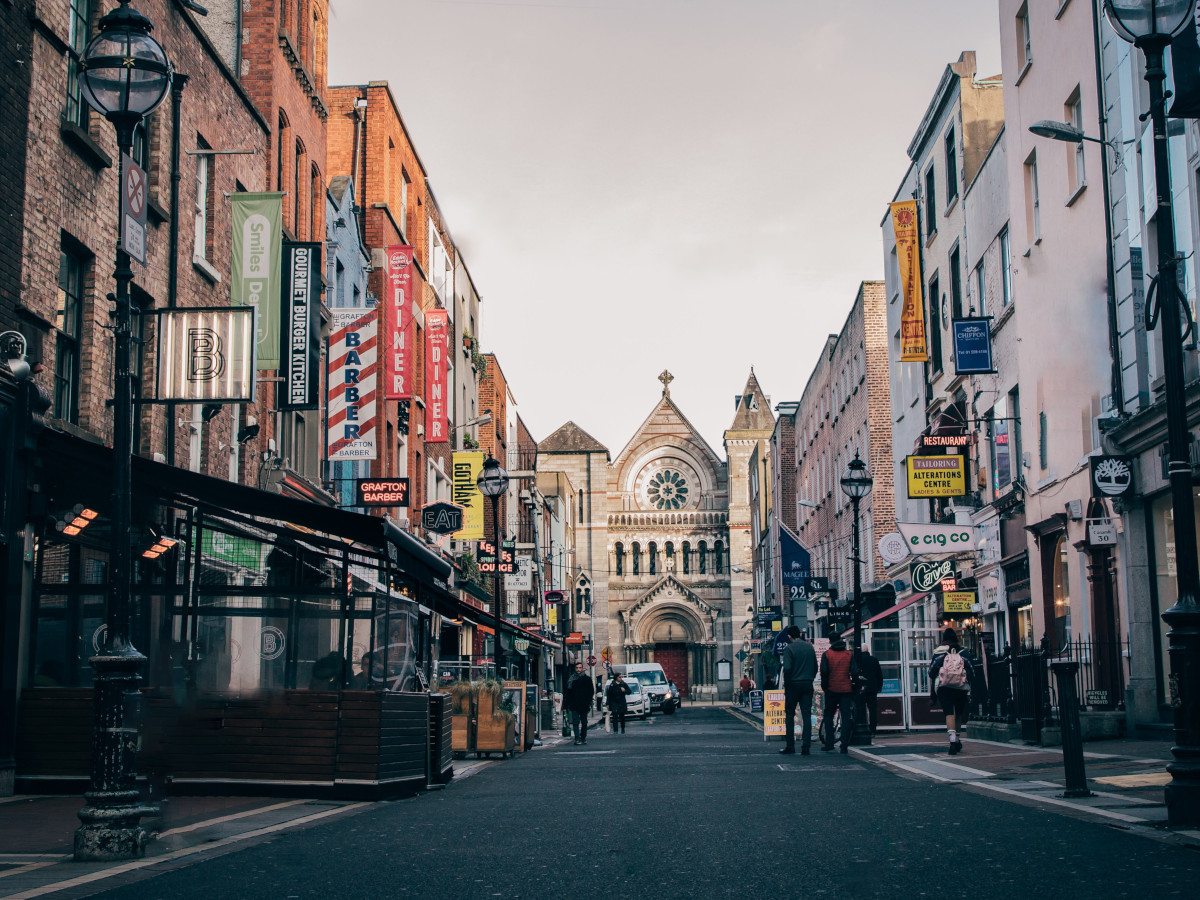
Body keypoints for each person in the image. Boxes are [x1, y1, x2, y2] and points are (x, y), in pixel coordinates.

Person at [929, 627, 981, 755]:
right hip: (960, 687)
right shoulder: (963, 652)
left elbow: (931, 672)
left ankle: (952, 742)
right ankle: (957, 740)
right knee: (958, 713)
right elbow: (973, 671)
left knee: (949, 714)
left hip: (944, 687)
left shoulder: (939, 653)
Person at [779, 626, 817, 755]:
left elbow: (788, 669)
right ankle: (806, 747)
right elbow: (815, 667)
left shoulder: (789, 648)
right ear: (800, 634)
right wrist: (810, 678)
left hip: (793, 685)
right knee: (806, 715)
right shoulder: (809, 647)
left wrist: (788, 684)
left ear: (789, 636)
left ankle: (790, 746)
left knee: (789, 715)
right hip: (807, 684)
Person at [820, 632, 854, 753]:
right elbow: (854, 672)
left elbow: (824, 672)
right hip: (846, 689)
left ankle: (829, 742)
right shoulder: (849, 654)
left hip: (831, 689)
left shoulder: (827, 654)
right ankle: (844, 745)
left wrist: (825, 687)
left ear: (830, 641)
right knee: (845, 717)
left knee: (828, 715)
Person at [564, 662, 595, 744]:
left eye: (580, 667)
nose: (578, 669)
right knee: (575, 722)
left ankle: (583, 737)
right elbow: (568, 693)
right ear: (575, 668)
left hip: (584, 705)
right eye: (577, 668)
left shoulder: (587, 679)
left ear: (582, 668)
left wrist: (588, 702)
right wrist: (566, 705)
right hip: (574, 705)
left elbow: (591, 692)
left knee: (584, 723)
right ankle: (577, 738)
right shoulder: (571, 679)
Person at [856, 645, 884, 734]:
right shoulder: (874, 660)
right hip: (872, 688)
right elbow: (879, 675)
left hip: (861, 688)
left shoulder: (858, 660)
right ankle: (873, 728)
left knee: (861, 708)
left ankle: (862, 725)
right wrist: (879, 687)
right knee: (872, 709)